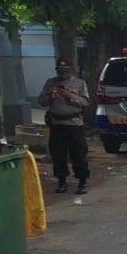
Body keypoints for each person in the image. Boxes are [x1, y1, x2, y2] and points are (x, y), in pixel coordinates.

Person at [38, 58, 90, 194]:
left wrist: (70, 96)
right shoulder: (50, 83)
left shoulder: (79, 83)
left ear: (71, 70)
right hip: (56, 123)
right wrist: (50, 96)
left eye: (65, 71)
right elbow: (41, 102)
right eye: (60, 71)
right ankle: (61, 181)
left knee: (78, 153)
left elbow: (85, 102)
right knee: (58, 154)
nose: (63, 74)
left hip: (74, 123)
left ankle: (82, 182)